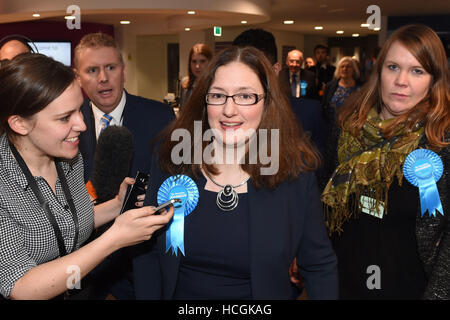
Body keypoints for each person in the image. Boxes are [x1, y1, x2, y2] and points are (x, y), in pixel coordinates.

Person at [133, 46, 338, 300]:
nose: (229, 110)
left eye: (245, 96)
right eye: (218, 96)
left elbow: (318, 265)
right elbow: (147, 254)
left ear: (267, 102)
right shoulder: (172, 161)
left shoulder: (295, 173)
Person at [0, 53, 173, 300]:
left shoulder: (69, 158)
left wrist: (116, 205)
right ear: (19, 124)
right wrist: (114, 239)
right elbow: (20, 286)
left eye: (79, 111)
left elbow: (68, 224)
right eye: (64, 118)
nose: (81, 124)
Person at [321, 24, 450, 299]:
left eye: (417, 71)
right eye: (393, 67)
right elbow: (323, 194)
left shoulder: (441, 141)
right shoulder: (348, 126)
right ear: (378, 72)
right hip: (342, 280)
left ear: (434, 79)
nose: (401, 80)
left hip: (410, 286)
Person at [74, 32, 175, 299]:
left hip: (143, 256)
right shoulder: (67, 123)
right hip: (85, 258)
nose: (103, 78)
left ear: (124, 71)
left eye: (111, 67)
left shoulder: (160, 117)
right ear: (78, 77)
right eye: (92, 70)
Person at [232, 29, 325, 156]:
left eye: (256, 69)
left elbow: (319, 168)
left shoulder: (308, 113)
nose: (246, 78)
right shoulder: (224, 115)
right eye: (238, 70)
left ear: (275, 69)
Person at [322, 56, 362, 145]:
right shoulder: (330, 86)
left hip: (352, 132)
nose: (345, 69)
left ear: (354, 70)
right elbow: (324, 106)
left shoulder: (360, 88)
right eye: (342, 66)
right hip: (331, 131)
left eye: (348, 66)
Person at [179, 43, 213, 111]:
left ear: (210, 62)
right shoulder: (185, 83)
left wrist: (197, 122)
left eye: (202, 61)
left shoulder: (215, 84)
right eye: (194, 61)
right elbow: (182, 110)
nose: (197, 66)